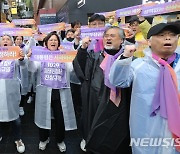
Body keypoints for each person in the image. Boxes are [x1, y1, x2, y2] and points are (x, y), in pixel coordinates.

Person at [110, 23, 180, 154]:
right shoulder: (138, 66)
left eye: (172, 35)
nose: (168, 38)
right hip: (147, 129)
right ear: (149, 41)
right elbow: (118, 81)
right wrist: (125, 58)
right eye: (162, 35)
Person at [73, 26, 132, 153]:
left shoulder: (128, 58)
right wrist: (82, 49)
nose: (108, 38)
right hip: (96, 100)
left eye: (112, 36)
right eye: (106, 36)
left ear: (122, 40)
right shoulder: (94, 56)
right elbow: (81, 69)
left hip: (119, 104)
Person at [28, 32, 77, 152]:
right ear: (46, 43)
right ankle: (44, 139)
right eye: (50, 40)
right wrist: (29, 58)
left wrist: (68, 56)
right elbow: (33, 69)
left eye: (55, 40)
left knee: (60, 118)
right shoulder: (41, 56)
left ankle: (60, 140)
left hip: (60, 93)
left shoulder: (63, 55)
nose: (53, 42)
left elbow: (70, 69)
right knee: (43, 117)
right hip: (44, 92)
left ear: (58, 43)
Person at [0, 35, 26, 153]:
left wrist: (21, 58)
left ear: (11, 42)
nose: (5, 41)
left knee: (15, 118)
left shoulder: (15, 53)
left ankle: (18, 139)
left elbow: (23, 63)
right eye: (3, 39)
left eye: (8, 39)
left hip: (12, 92)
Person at [14, 36, 29, 116]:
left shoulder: (25, 48)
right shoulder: (10, 49)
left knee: (22, 89)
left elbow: (25, 60)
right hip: (14, 73)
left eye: (20, 39)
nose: (19, 41)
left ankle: (21, 106)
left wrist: (25, 57)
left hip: (23, 71)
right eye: (17, 39)